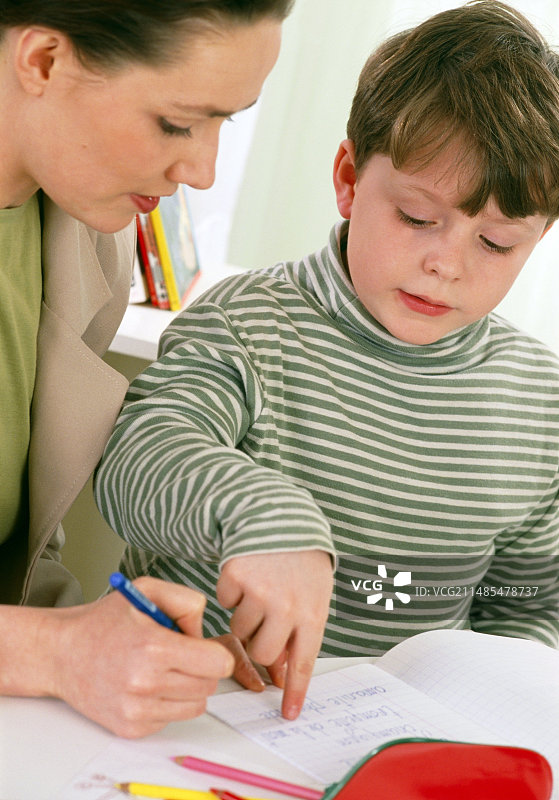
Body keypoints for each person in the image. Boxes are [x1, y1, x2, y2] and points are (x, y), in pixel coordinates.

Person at [94, 0, 559, 721]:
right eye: (415, 218)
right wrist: (262, 510)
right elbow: (134, 461)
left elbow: (526, 610)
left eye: (496, 244)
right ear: (347, 178)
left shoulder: (538, 402)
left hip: (396, 751)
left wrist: (494, 708)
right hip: (189, 719)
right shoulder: (246, 324)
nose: (446, 264)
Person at [0, 0, 294, 738]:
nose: (201, 170)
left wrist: (136, 651)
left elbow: (22, 554)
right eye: (177, 122)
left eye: (227, 121)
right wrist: (55, 652)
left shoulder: (84, 236)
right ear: (42, 61)